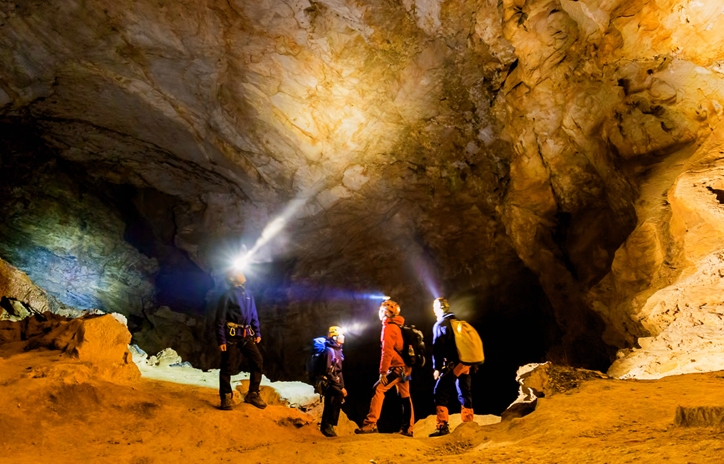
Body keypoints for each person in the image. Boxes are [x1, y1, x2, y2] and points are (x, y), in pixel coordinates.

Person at [355, 299, 414, 436]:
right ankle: (408, 428)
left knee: (378, 388)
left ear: (386, 312)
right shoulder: (398, 326)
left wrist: (383, 372)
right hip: (405, 368)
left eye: (381, 310)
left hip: (397, 368)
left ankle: (370, 424)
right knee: (405, 396)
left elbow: (386, 352)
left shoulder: (388, 328)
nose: (379, 313)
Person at [215, 271, 267, 410]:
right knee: (228, 365)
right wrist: (222, 340)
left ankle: (253, 393)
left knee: (257, 360)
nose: (243, 273)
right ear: (232, 279)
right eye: (238, 272)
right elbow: (219, 319)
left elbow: (253, 314)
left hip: (245, 334)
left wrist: (257, 331)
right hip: (231, 335)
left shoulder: (249, 294)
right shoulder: (227, 296)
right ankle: (226, 396)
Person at [430, 297, 474, 437]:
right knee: (464, 390)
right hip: (466, 362)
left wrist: (437, 367)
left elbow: (437, 348)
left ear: (437, 309)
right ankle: (468, 422)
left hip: (453, 363)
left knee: (440, 391)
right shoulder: (458, 322)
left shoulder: (440, 324)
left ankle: (442, 426)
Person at [319, 326, 347, 437]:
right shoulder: (329, 351)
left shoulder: (338, 351)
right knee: (331, 400)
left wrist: (342, 386)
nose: (343, 338)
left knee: (337, 397)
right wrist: (340, 387)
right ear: (334, 337)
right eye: (340, 336)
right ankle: (326, 426)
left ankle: (329, 425)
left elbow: (339, 371)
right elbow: (327, 372)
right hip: (327, 381)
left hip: (334, 381)